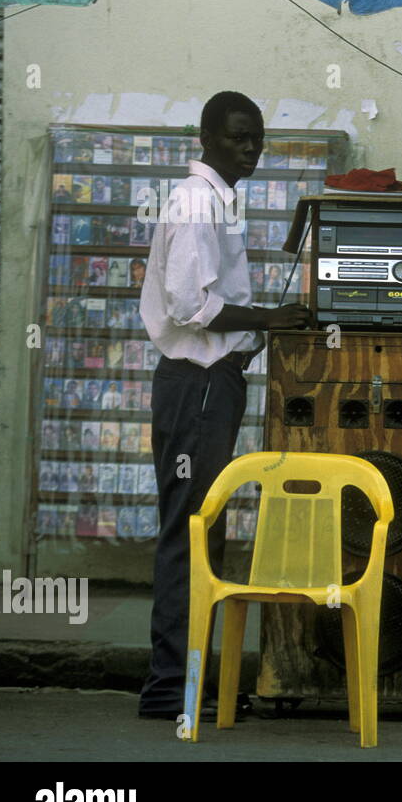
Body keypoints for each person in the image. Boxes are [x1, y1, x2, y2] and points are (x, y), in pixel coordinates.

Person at [137, 92, 311, 721]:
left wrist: (263, 326)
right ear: (206, 139)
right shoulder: (195, 202)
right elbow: (191, 307)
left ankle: (189, 681)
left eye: (257, 136)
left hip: (213, 381)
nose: (251, 147)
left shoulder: (217, 201)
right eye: (238, 136)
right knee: (191, 529)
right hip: (199, 383)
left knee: (203, 527)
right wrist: (269, 317)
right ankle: (168, 688)